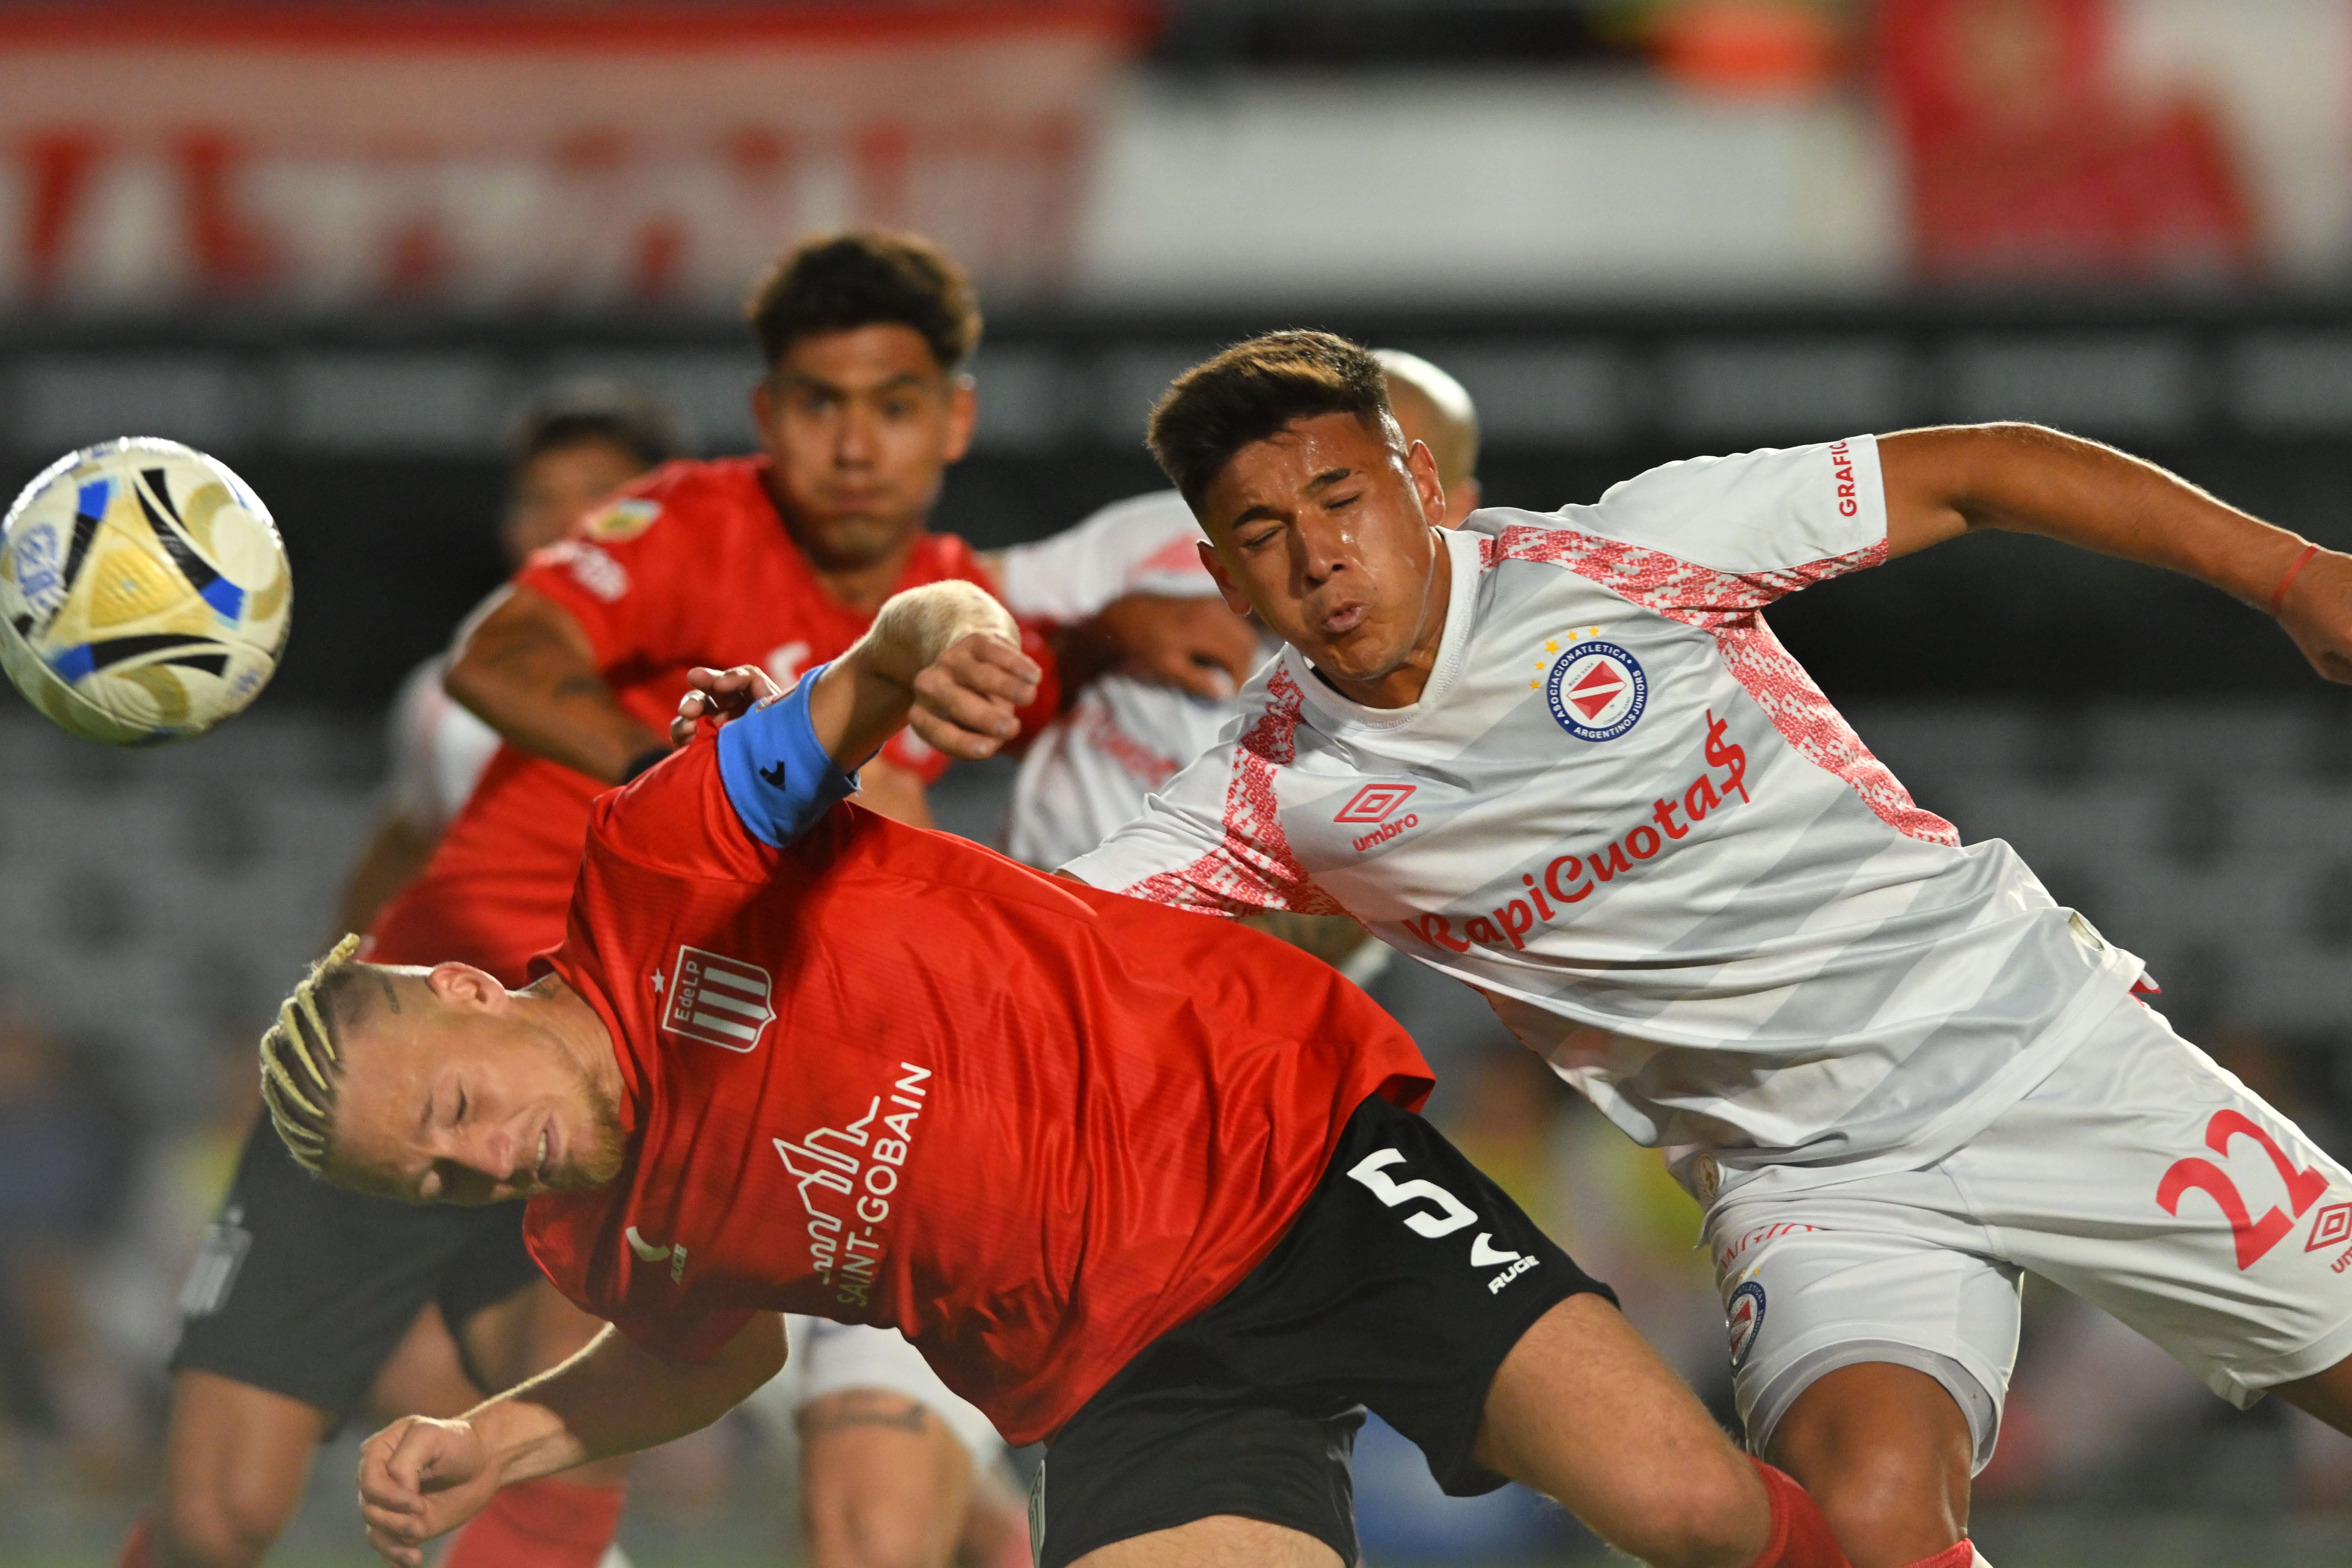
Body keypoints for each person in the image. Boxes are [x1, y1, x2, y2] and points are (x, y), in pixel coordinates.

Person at [1060, 330, 2352, 1568]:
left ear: (1418, 481)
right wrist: (950, 668)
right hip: (1807, 1182)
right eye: (1263, 535)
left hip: (2032, 1049)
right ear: (1224, 578)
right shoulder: (1269, 785)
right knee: (1858, 1526)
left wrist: (2294, 576)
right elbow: (1028, 942)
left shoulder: (1631, 553)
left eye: (1340, 500)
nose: (1318, 557)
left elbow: (1979, 469)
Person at [260, 579, 1852, 1568]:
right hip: (1118, 1376)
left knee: (1695, 1513)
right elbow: (709, 1351)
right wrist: (500, 1440)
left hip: (1280, 1158)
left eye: (455, 1111)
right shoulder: (593, 1232)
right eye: (442, 1178)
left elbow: (882, 660)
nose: (489, 1162)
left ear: (467, 986)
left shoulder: (660, 861)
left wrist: (944, 645)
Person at [994, 348, 1478, 874]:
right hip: (1028, 878)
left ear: (1435, 494)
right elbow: (954, 597)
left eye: (1344, 497)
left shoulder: (1482, 689)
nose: (1317, 550)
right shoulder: (1167, 534)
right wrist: (1106, 634)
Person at [339, 381, 687, 936]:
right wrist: (334, 973)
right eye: (539, 500)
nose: (568, 522)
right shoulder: (441, 703)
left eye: (602, 494)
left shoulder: (735, 669)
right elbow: (409, 839)